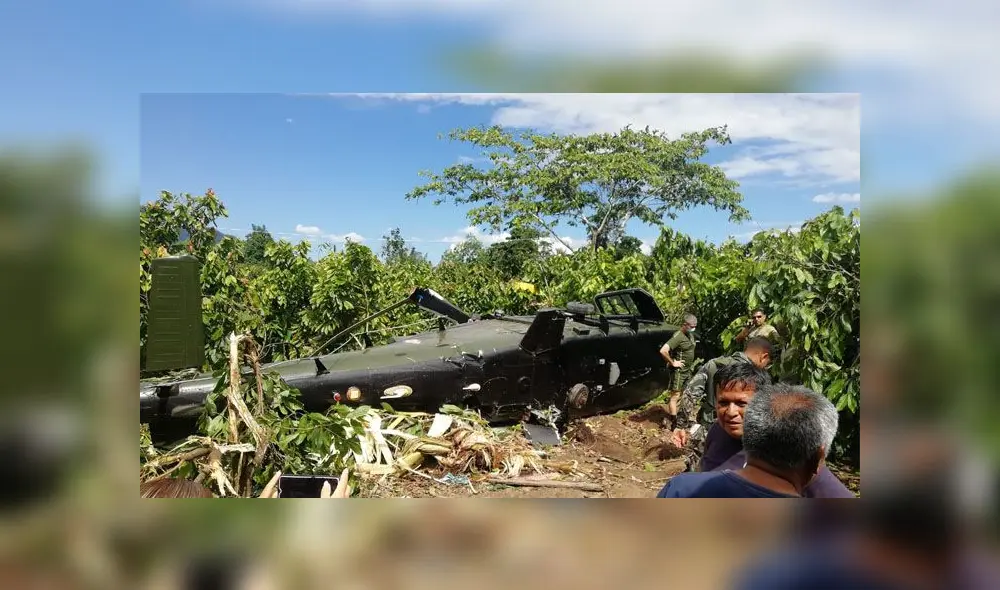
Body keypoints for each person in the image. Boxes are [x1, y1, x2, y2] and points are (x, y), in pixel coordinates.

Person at [656, 383, 840, 498]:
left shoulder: (681, 489)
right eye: (724, 402)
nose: (731, 412)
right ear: (818, 456)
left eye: (741, 404)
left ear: (750, 434)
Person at [668, 336, 775, 452]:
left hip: (709, 428)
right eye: (767, 363)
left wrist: (680, 425)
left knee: (705, 462)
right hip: (742, 434)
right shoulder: (759, 377)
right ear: (764, 357)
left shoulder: (713, 364)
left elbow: (690, 395)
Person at [659, 313, 697, 410]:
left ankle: (681, 415)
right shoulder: (678, 336)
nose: (693, 329)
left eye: (694, 327)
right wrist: (673, 362)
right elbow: (663, 351)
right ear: (685, 325)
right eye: (691, 327)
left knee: (685, 393)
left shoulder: (690, 335)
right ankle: (673, 421)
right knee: (675, 395)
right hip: (679, 371)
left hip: (687, 370)